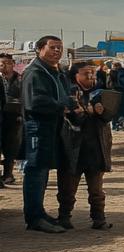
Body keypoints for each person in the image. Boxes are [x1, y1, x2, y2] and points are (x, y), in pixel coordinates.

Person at [19, 36, 75, 233]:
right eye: (52, 48)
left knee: (43, 171)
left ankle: (39, 213)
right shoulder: (35, 73)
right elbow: (34, 102)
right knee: (36, 171)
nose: (57, 51)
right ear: (40, 49)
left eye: (60, 48)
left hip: (53, 127)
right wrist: (63, 106)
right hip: (38, 126)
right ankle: (34, 218)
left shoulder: (54, 72)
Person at [56, 63, 113, 230]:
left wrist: (100, 112)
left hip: (96, 147)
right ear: (75, 76)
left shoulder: (101, 93)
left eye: (93, 73)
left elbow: (109, 116)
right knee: (67, 188)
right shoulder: (69, 94)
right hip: (73, 147)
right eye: (86, 73)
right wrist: (86, 112)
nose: (91, 76)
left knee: (97, 190)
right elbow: (73, 118)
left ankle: (99, 219)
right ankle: (64, 217)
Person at [0, 53, 22, 187]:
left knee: (11, 148)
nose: (3, 66)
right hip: (1, 117)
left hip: (15, 118)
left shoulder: (21, 79)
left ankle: (8, 174)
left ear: (13, 64)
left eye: (7, 63)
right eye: (1, 63)